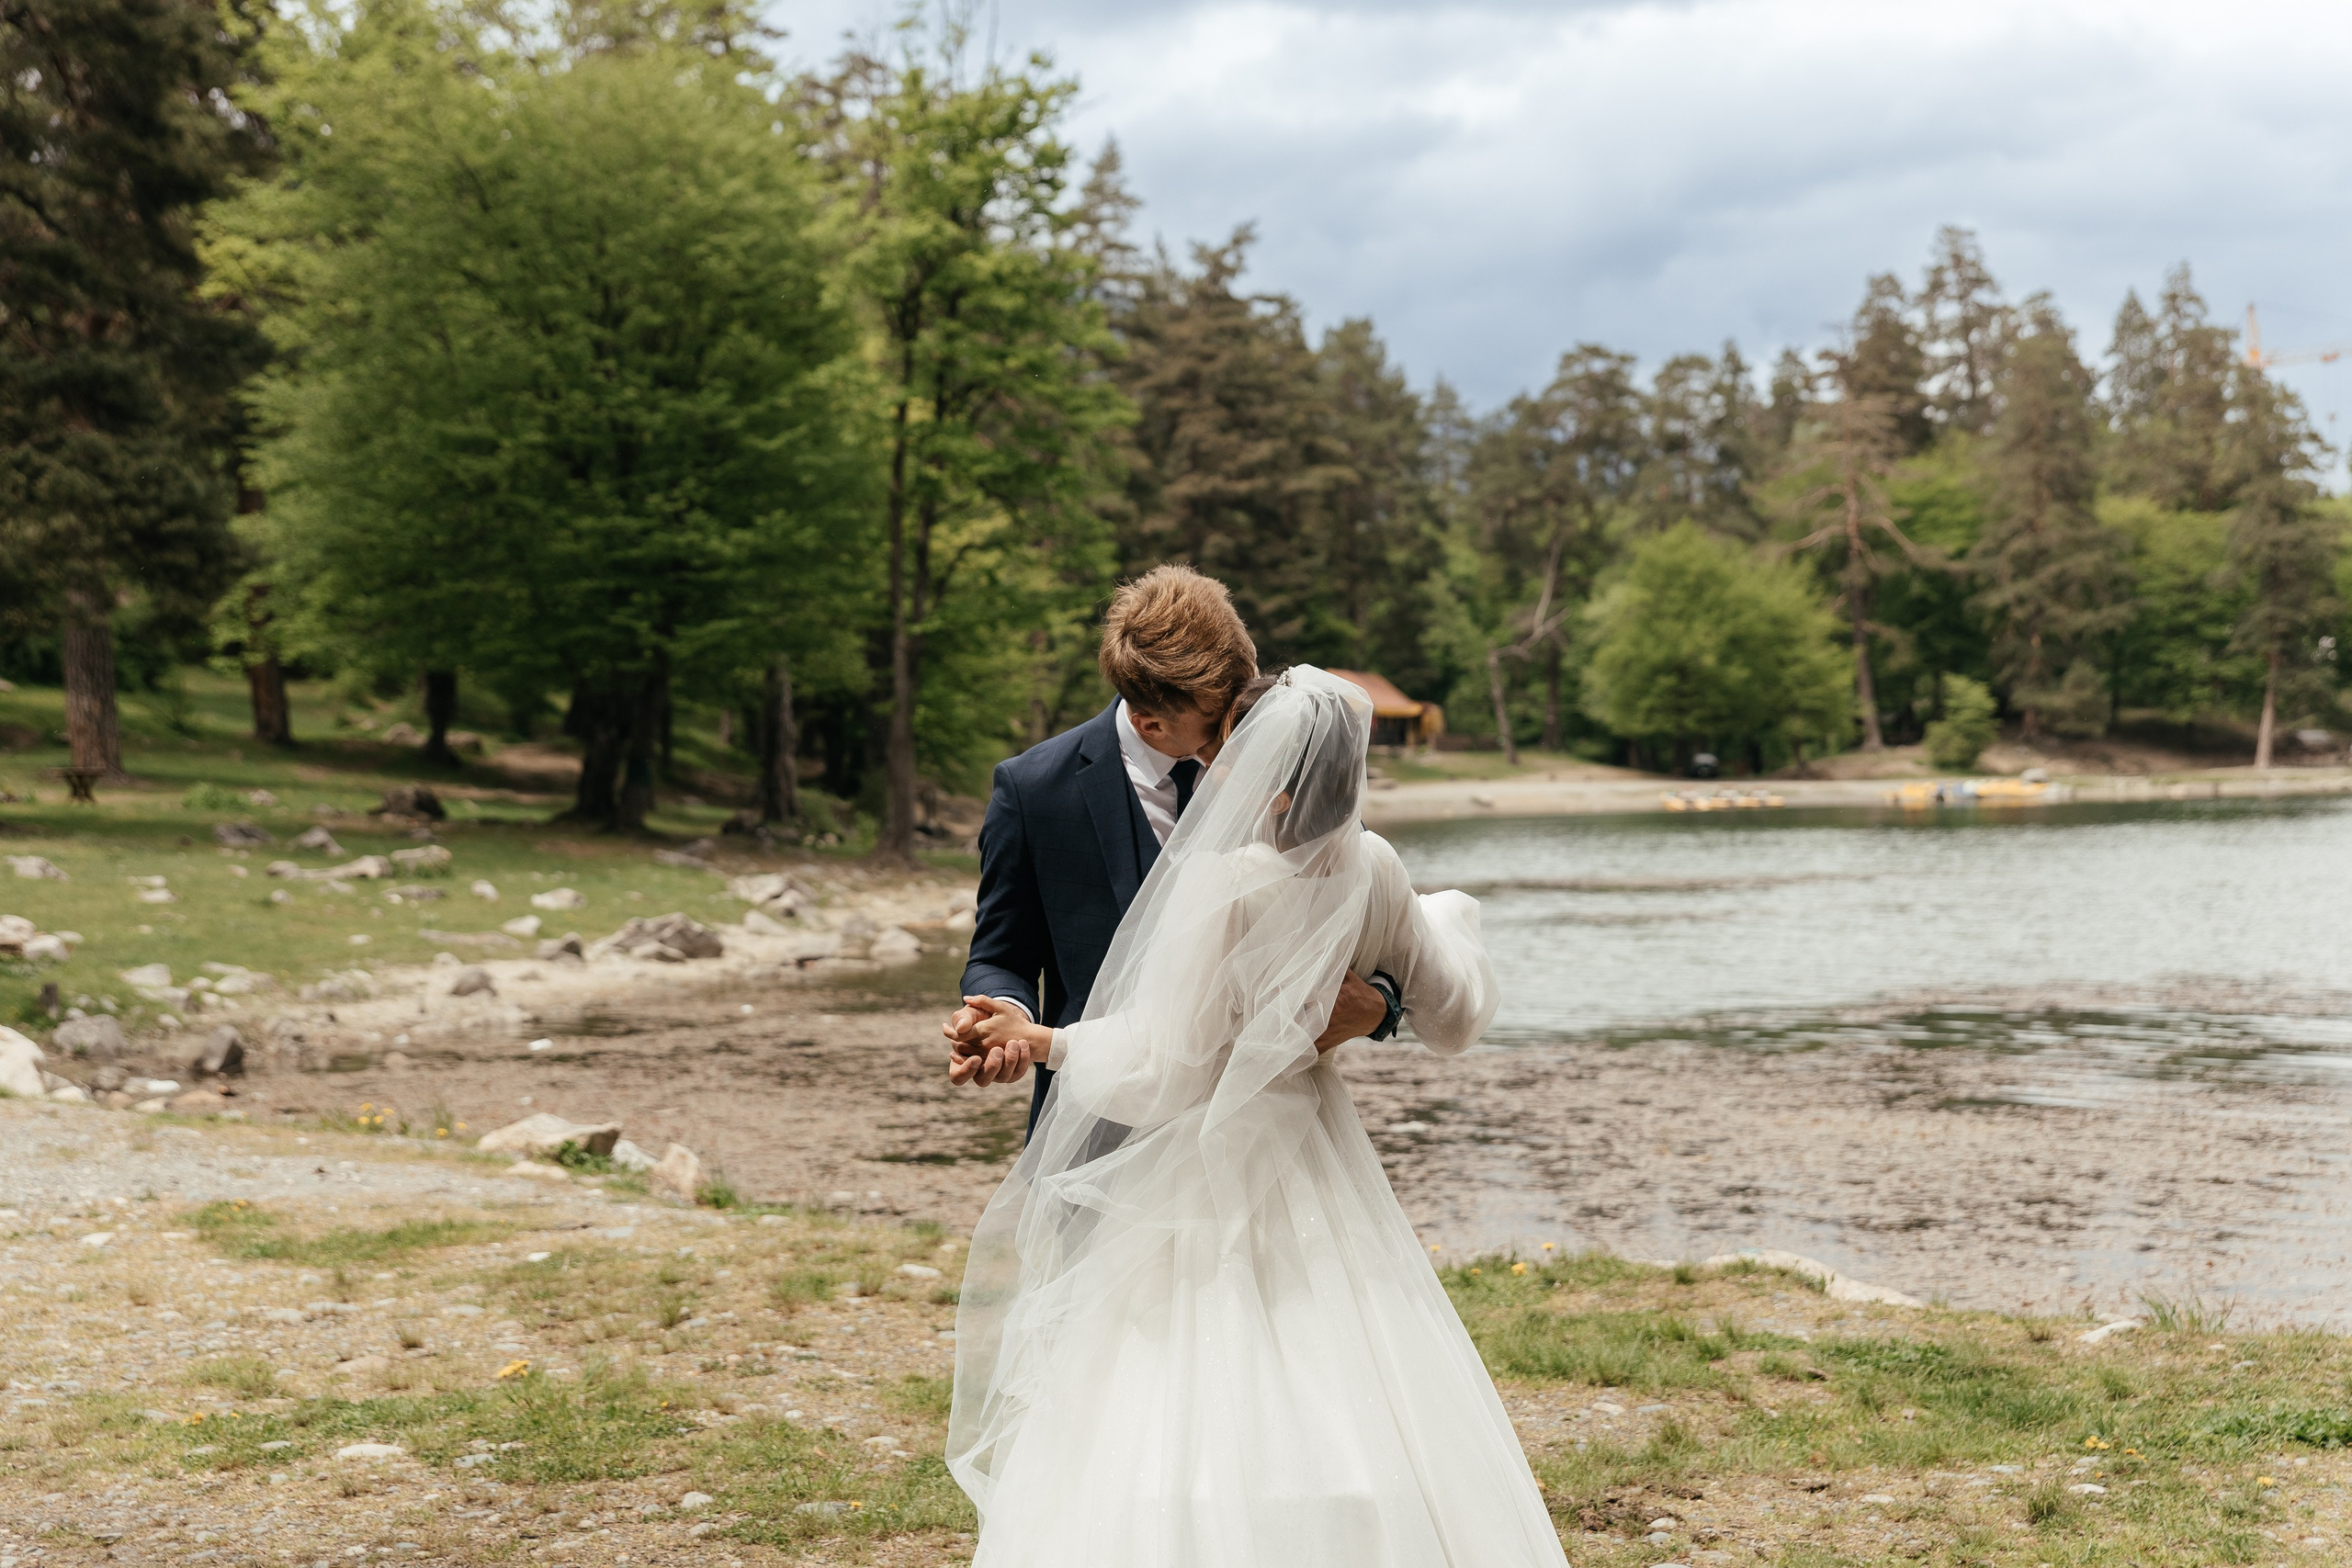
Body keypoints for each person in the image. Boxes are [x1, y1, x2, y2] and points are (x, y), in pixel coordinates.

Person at [942, 667, 1567, 1567]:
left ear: (1274, 783)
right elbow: (1458, 1019)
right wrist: (1417, 960)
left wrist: (1045, 1042)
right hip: (1319, 1151)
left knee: (1172, 1388)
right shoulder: (1375, 866)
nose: (1214, 762)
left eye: (1232, 748)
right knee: (1348, 1362)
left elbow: (1166, 1067)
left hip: (1202, 1163)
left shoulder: (1223, 883)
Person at [944, 564, 1395, 1130]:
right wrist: (1001, 1022)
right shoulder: (1033, 790)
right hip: (1094, 1133)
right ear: (1150, 724)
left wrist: (1380, 1006)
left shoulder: (1291, 767)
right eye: (1218, 722)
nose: (1248, 730)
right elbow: (1000, 956)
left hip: (1263, 1138)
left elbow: (1365, 913)